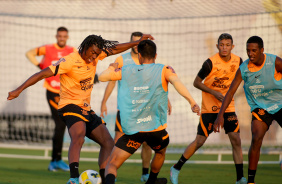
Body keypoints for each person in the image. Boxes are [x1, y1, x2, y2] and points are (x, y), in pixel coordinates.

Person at [7, 33, 154, 184]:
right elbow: (41, 74)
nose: (93, 57)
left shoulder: (96, 54)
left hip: (85, 108)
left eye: (97, 54)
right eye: (92, 53)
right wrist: (19, 90)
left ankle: (105, 180)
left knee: (108, 142)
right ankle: (74, 178)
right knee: (79, 135)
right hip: (69, 106)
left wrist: (135, 43)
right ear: (85, 47)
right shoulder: (69, 61)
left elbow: (114, 49)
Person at [98, 40, 200, 184]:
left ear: (139, 55)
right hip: (156, 130)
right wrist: (192, 102)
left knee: (112, 164)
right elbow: (177, 83)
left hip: (133, 131)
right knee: (160, 152)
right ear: (156, 55)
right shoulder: (165, 69)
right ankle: (151, 181)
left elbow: (102, 77)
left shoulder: (127, 70)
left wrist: (111, 67)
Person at [170, 33, 247, 184]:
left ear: (233, 46)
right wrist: (213, 92)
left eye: (227, 45)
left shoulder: (239, 61)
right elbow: (196, 82)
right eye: (222, 45)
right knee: (199, 141)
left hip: (228, 108)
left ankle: (240, 178)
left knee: (236, 140)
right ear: (217, 46)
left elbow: (243, 79)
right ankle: (176, 168)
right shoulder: (210, 63)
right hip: (210, 108)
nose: (224, 48)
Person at [100, 32, 172, 182]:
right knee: (118, 144)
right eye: (133, 42)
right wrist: (104, 101)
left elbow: (156, 85)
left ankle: (145, 173)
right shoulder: (122, 59)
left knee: (147, 144)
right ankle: (111, 174)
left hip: (148, 111)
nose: (135, 44)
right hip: (127, 111)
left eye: (138, 42)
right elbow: (112, 80)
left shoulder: (149, 60)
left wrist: (167, 100)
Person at [214, 35, 282, 184]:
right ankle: (250, 181)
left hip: (280, 104)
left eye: (254, 50)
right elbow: (230, 92)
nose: (250, 54)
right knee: (256, 137)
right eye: (248, 50)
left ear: (262, 50)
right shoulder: (244, 68)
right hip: (260, 108)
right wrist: (220, 115)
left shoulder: (275, 62)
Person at [25, 26, 77, 172]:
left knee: (63, 125)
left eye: (64, 36)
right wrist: (40, 66)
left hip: (66, 92)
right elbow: (29, 53)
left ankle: (57, 160)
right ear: (56, 36)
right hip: (52, 91)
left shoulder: (72, 51)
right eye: (60, 36)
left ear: (67, 37)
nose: (62, 38)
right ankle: (55, 161)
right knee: (60, 124)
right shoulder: (47, 49)